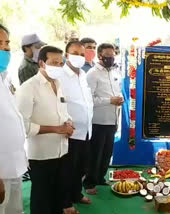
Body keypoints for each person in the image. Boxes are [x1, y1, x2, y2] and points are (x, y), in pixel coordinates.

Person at [16, 46, 77, 214]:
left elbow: (63, 112)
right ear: (42, 63)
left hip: (62, 151)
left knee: (58, 195)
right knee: (42, 199)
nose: (58, 66)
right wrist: (56, 129)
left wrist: (69, 123)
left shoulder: (58, 84)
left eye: (60, 63)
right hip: (41, 155)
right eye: (54, 63)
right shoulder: (28, 88)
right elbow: (23, 126)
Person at [84, 43, 124, 195]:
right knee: (95, 153)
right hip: (98, 121)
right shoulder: (92, 74)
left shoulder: (115, 71)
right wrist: (109, 100)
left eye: (113, 55)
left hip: (112, 119)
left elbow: (117, 90)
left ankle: (100, 177)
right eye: (107, 55)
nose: (111, 58)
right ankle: (89, 183)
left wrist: (119, 99)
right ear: (99, 56)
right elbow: (89, 99)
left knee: (107, 152)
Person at [59, 41, 93, 205]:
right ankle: (65, 203)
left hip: (86, 130)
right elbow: (58, 103)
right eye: (74, 53)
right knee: (68, 170)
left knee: (81, 167)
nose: (79, 57)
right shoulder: (60, 76)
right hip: (70, 132)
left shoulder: (83, 75)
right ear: (66, 56)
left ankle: (76, 194)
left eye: (81, 54)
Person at [0, 24, 28, 214]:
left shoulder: (4, 78)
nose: (5, 48)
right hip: (1, 170)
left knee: (14, 210)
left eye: (7, 43)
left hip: (14, 164)